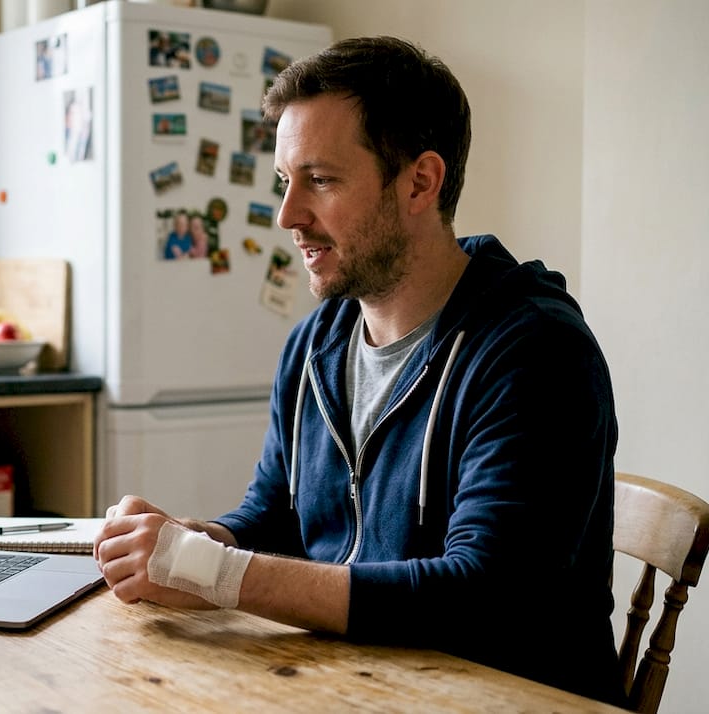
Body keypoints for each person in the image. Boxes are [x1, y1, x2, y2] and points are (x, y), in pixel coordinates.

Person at [94, 36, 621, 705]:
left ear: (419, 183)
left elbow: (484, 596)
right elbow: (275, 516)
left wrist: (219, 575)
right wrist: (195, 544)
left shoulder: (535, 350)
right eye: (286, 182)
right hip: (354, 684)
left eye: (320, 180)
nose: (288, 217)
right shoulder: (317, 343)